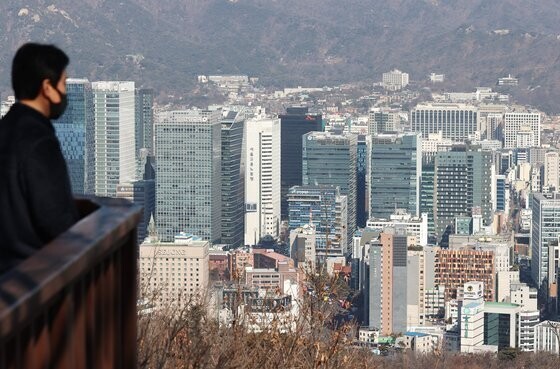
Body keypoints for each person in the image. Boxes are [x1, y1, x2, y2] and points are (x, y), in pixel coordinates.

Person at [0, 43, 79, 274]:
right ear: (47, 87)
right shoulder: (39, 141)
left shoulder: (5, 129)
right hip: (31, 279)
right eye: (63, 84)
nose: (65, 94)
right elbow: (56, 220)